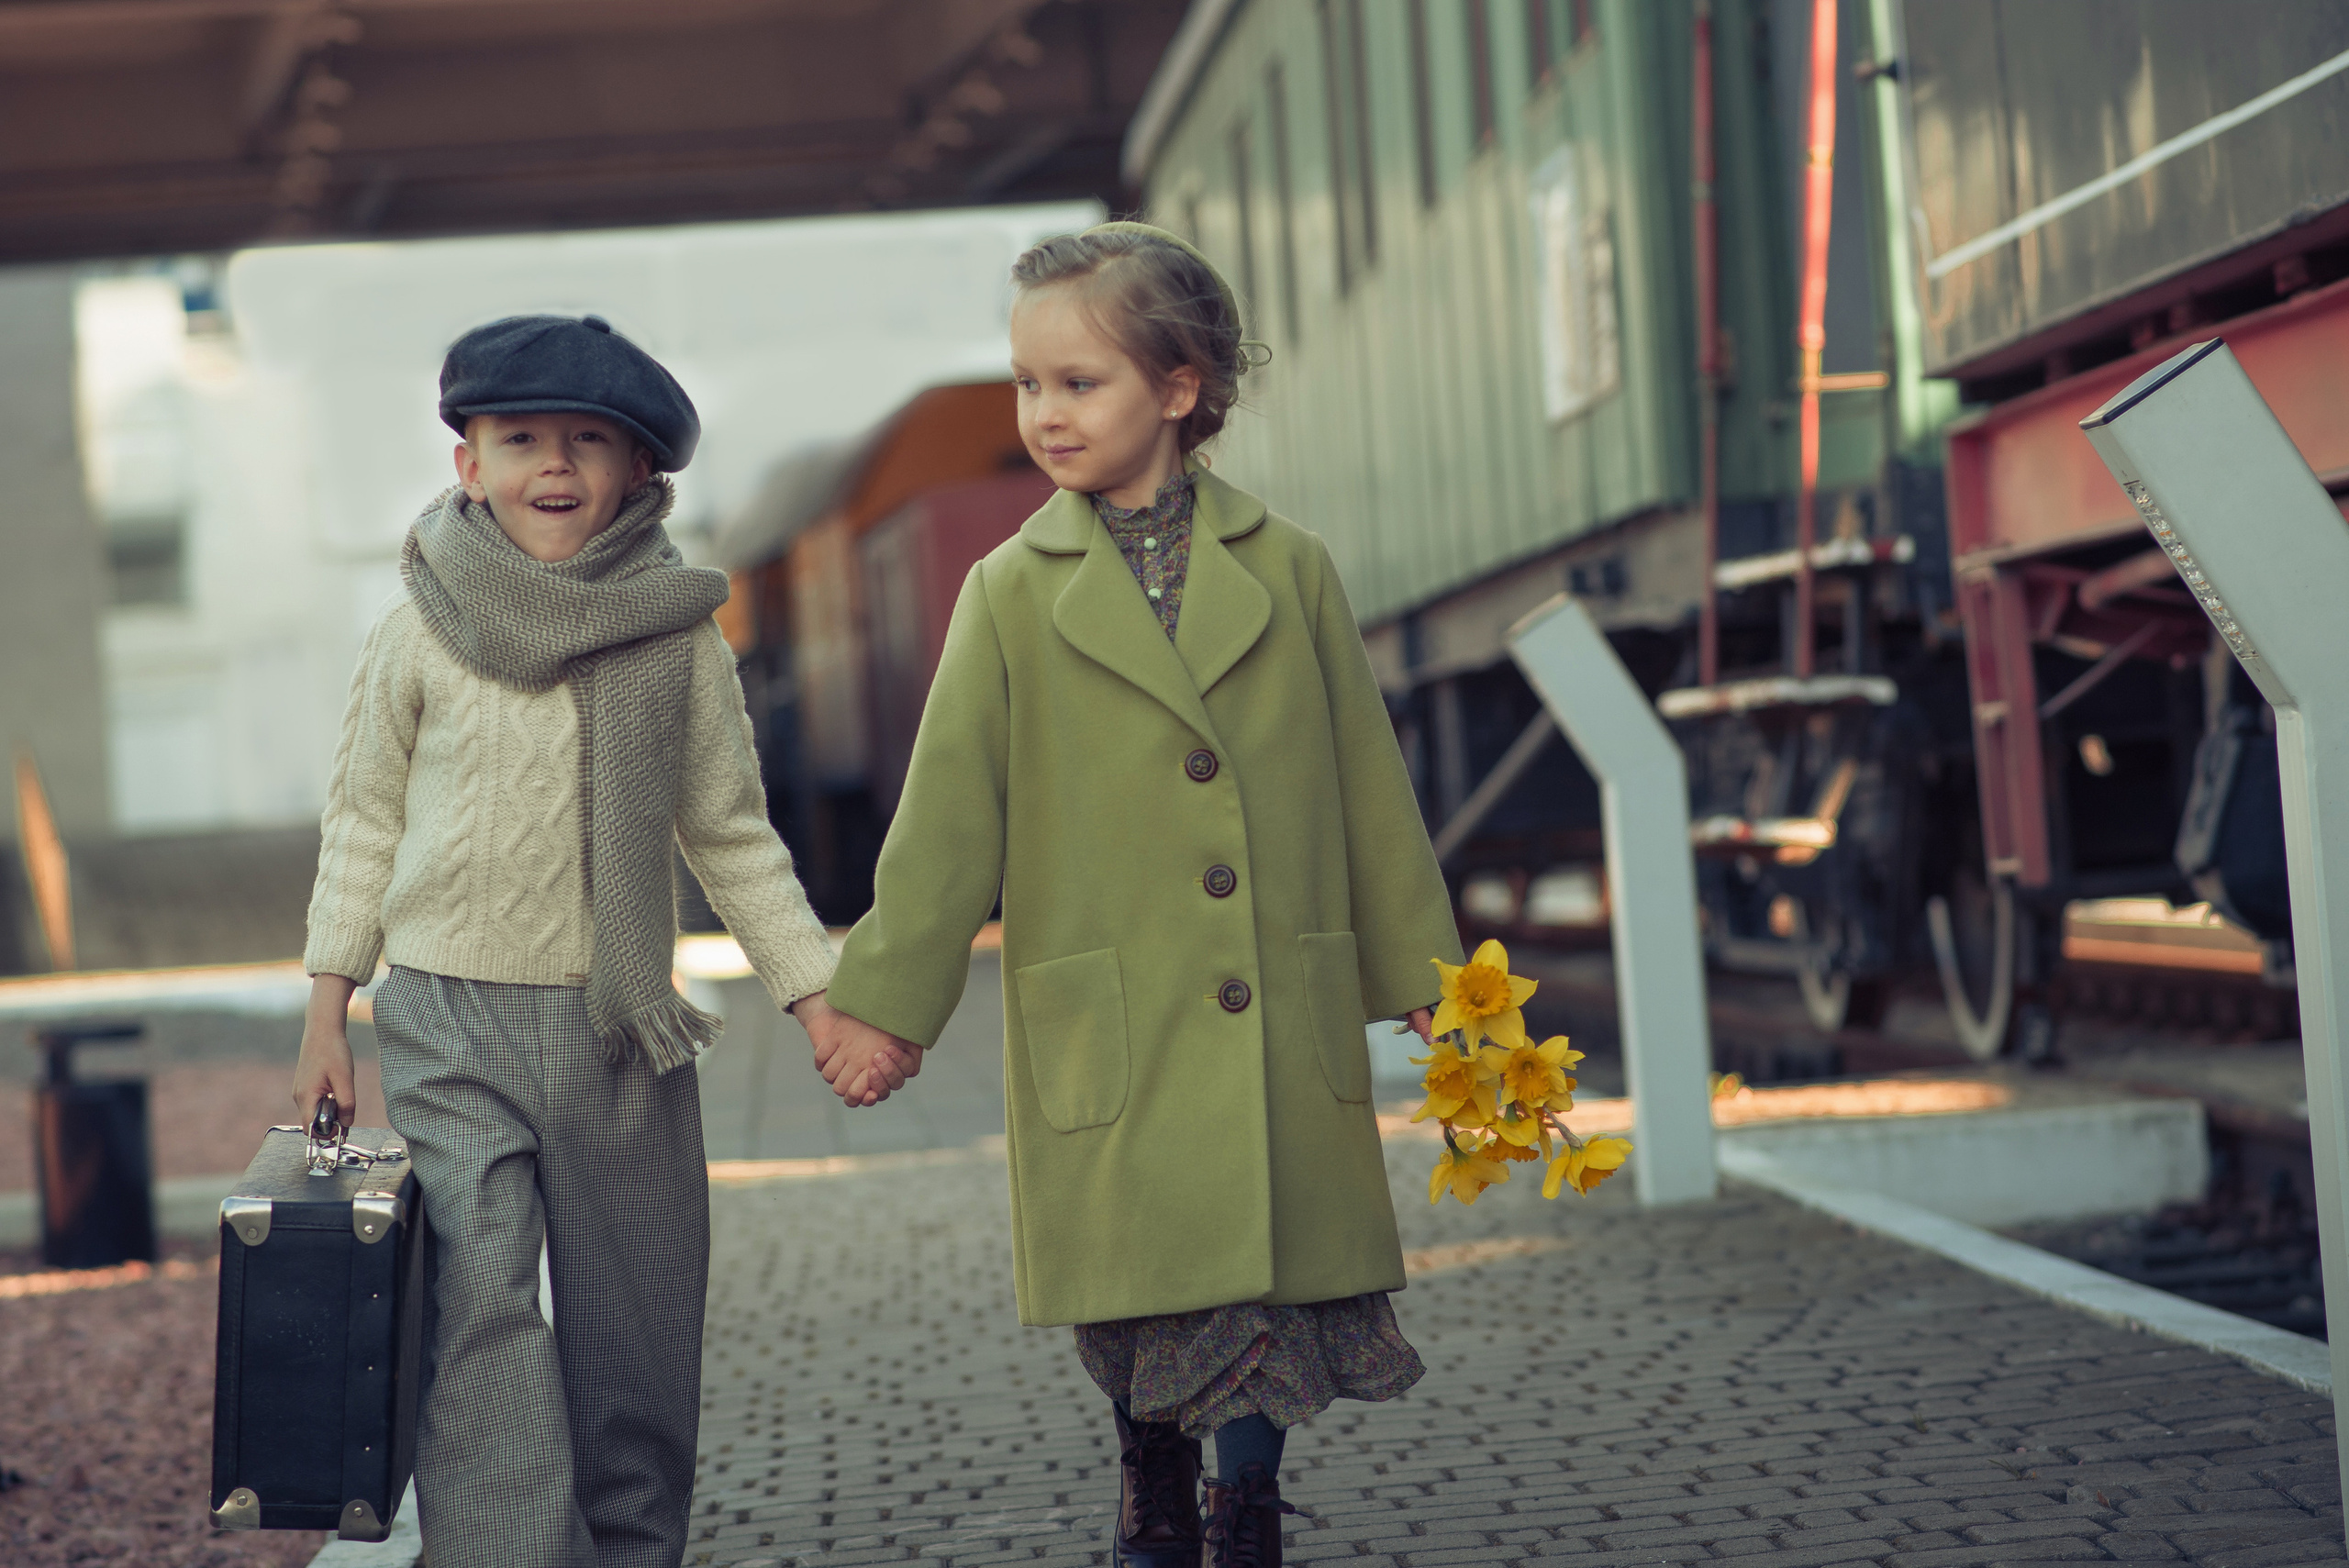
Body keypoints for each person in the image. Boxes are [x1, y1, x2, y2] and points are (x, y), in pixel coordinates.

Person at [810, 224, 1464, 1568]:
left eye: (1077, 383)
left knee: (1270, 1291)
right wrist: (884, 1006)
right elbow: (947, 824)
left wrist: (1431, 992)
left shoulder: (1292, 570)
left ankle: (1248, 1504)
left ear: (1178, 389)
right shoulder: (1005, 594)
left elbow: (1368, 796)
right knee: (1146, 1289)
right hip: (1116, 1010)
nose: (1042, 414)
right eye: (1025, 384)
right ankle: (1149, 1465)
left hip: (1271, 1006)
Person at [290, 312, 905, 1568]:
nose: (553, 467)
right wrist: (326, 1011)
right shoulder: (418, 624)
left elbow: (731, 833)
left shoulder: (674, 633)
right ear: (470, 463)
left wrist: (818, 998)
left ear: (638, 473)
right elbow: (362, 818)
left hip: (619, 1020)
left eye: (588, 443)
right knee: (483, 1310)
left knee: (637, 1320)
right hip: (446, 1016)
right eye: (521, 440)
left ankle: (632, 1548)